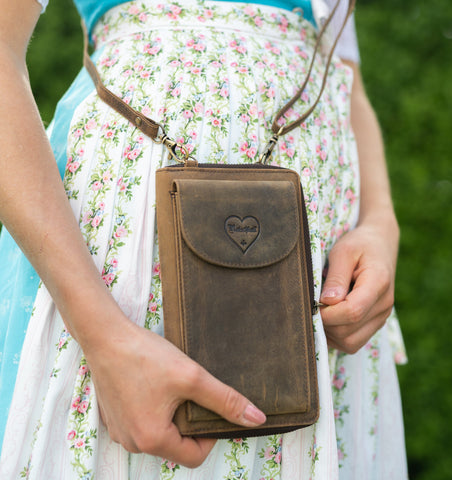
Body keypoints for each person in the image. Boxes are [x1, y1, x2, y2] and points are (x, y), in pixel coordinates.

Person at [0, 0, 408, 478]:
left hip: (319, 259)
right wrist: (105, 339)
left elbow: (343, 72)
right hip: (122, 263)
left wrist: (380, 224)